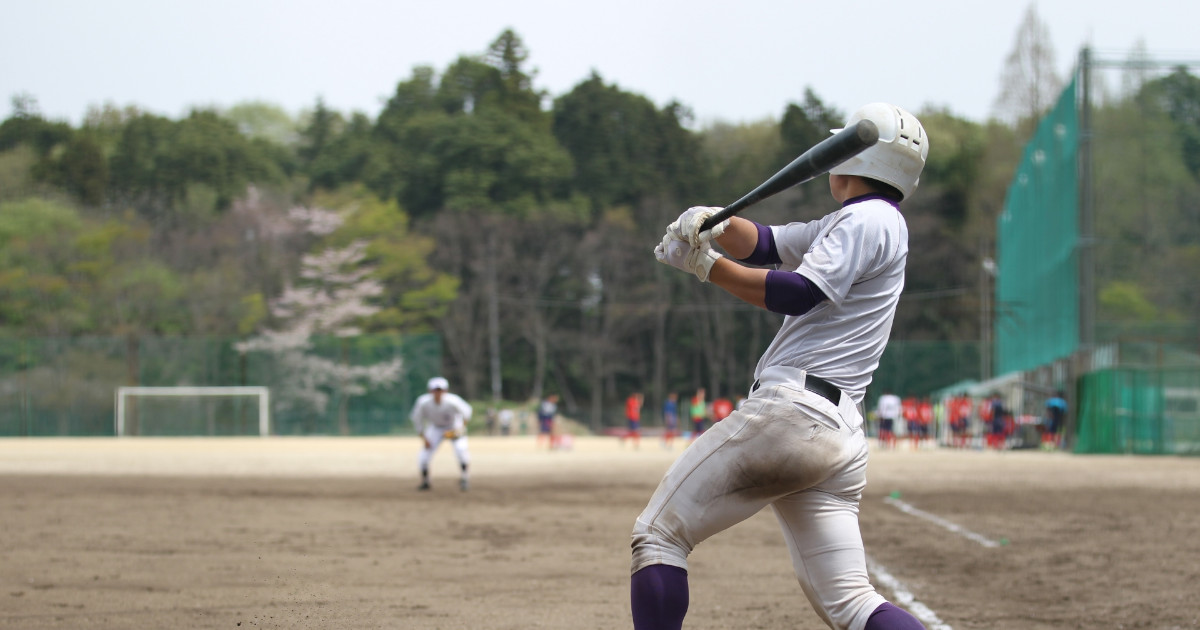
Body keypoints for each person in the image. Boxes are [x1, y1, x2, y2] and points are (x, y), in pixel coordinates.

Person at [636, 103, 929, 630]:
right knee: (853, 602)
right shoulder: (863, 222)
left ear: (855, 160)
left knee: (658, 535)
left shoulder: (865, 221)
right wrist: (715, 223)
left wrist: (708, 267)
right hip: (835, 432)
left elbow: (798, 292)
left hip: (794, 416)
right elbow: (768, 243)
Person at [410, 376, 473, 492]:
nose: (438, 393)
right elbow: (416, 418)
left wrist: (458, 430)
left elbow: (467, 412)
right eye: (435, 390)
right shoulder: (423, 402)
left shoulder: (453, 401)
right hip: (435, 428)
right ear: (430, 391)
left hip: (454, 426)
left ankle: (465, 478)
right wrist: (424, 438)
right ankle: (425, 481)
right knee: (424, 456)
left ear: (445, 391)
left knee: (461, 450)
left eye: (440, 390)